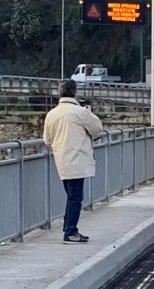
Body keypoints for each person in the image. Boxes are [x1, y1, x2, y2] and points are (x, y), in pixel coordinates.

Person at [42, 80, 107, 243]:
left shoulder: (52, 114)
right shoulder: (79, 112)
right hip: (78, 160)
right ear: (75, 93)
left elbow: (47, 139)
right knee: (76, 197)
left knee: (71, 195)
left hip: (62, 161)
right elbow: (98, 128)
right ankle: (70, 231)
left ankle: (68, 228)